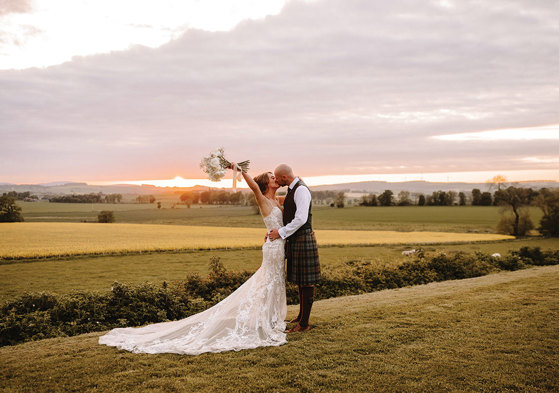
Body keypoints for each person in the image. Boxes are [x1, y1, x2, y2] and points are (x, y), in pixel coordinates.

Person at [98, 166, 287, 355]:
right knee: (268, 281)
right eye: (271, 177)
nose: (275, 179)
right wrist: (238, 169)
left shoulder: (276, 201)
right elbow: (253, 186)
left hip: (278, 246)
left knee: (274, 281)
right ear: (265, 183)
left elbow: (297, 201)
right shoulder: (261, 199)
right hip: (272, 248)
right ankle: (267, 321)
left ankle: (271, 319)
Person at [268, 164, 321, 332]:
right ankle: (301, 316)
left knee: (306, 283)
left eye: (277, 177)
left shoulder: (301, 190)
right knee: (301, 280)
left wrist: (281, 233)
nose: (276, 180)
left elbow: (300, 219)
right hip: (297, 239)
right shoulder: (292, 189)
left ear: (284, 177)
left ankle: (304, 324)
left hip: (303, 238)